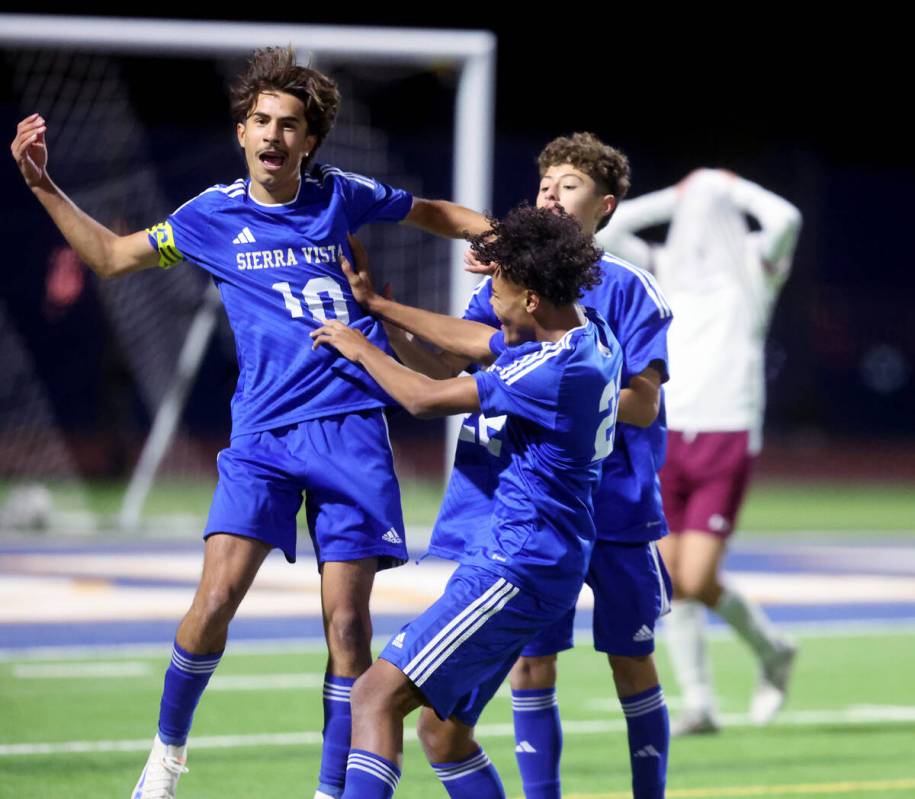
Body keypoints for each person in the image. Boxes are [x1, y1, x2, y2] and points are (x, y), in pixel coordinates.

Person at [10, 46, 488, 799]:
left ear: (310, 141)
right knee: (213, 602)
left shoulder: (341, 195)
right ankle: (165, 758)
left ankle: (333, 789)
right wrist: (43, 184)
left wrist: (492, 238)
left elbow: (431, 212)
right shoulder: (208, 216)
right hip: (262, 437)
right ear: (241, 132)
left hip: (350, 426)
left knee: (347, 628)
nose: (273, 134)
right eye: (260, 120)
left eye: (289, 124)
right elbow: (107, 256)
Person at [310, 204, 623, 799]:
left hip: (515, 564)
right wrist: (381, 306)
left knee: (374, 695)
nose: (490, 303)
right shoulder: (592, 335)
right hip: (548, 561)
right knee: (444, 734)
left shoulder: (548, 370)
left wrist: (360, 346)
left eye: (496, 290)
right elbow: (479, 340)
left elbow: (425, 398)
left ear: (531, 298)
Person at [403, 132, 672, 798]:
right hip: (531, 513)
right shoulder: (510, 283)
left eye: (569, 185)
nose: (551, 192)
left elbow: (640, 404)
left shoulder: (629, 289)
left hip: (614, 505)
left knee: (631, 659)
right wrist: (384, 325)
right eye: (545, 183)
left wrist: (559, 384)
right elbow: (456, 359)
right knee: (531, 666)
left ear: (603, 206)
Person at [597, 168, 803, 735]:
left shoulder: (755, 264)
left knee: (696, 574)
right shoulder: (664, 267)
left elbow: (787, 218)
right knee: (669, 575)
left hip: (728, 429)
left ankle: (772, 651)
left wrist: (730, 187)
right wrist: (679, 194)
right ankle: (701, 704)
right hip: (667, 432)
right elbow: (608, 232)